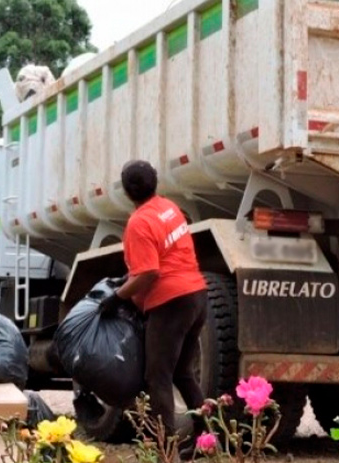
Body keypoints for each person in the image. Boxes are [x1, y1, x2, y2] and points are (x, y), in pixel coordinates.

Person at [97, 160, 208, 448]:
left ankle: (164, 448)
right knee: (183, 373)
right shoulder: (170, 209)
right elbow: (161, 257)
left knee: (157, 377)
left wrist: (117, 297)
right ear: (155, 182)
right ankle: (208, 440)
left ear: (125, 191)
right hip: (196, 295)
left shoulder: (138, 222)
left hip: (171, 302)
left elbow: (149, 273)